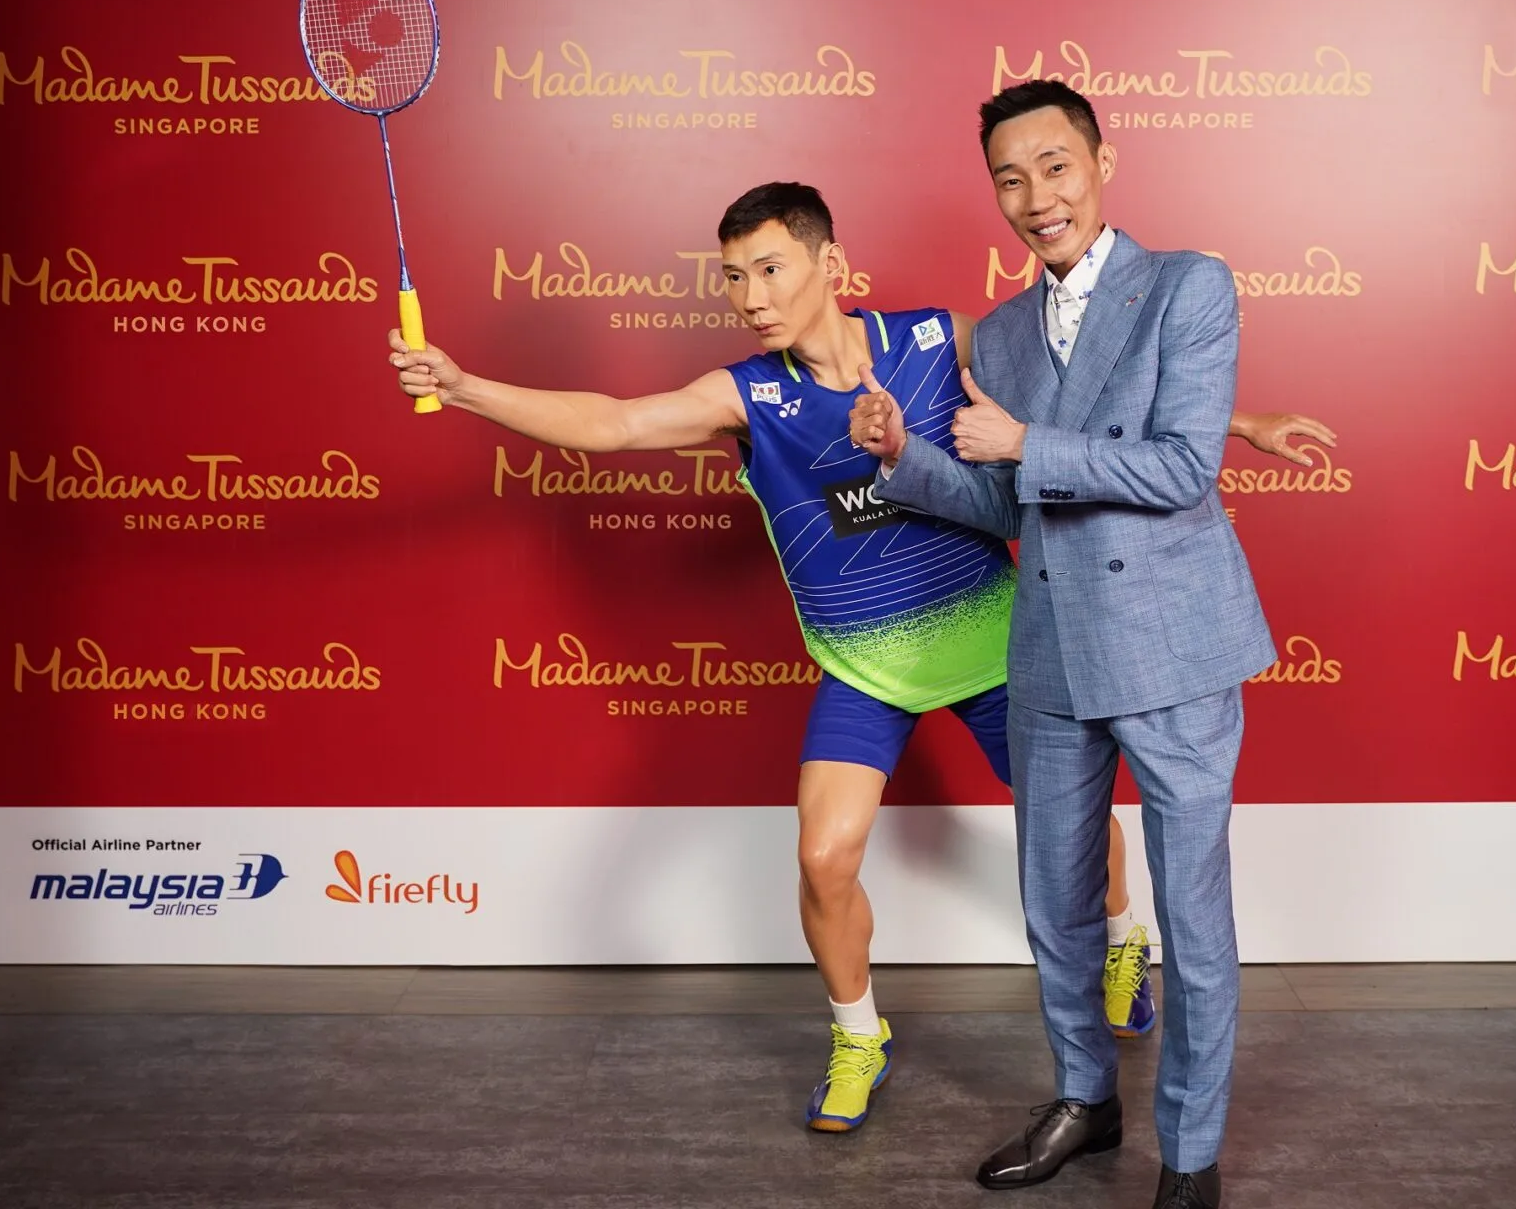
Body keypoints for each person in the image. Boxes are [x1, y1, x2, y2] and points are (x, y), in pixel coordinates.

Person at [390, 182, 1324, 1142]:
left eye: (770, 269)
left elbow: (1082, 387)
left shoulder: (934, 341)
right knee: (823, 855)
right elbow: (618, 423)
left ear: (829, 265)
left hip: (1002, 643)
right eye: (733, 278)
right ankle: (857, 1035)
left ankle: (1124, 936)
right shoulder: (747, 395)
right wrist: (463, 388)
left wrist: (1239, 422)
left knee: (1077, 831)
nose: (751, 297)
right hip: (867, 667)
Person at [852, 83, 1270, 1208]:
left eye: (1055, 166)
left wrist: (1026, 441)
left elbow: (1184, 467)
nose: (1037, 197)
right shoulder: (997, 333)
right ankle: (1087, 1099)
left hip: (1173, 648)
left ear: (1101, 163)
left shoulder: (1187, 285)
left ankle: (1190, 1153)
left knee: (1192, 917)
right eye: (1010, 178)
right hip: (1049, 652)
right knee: (1055, 903)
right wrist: (905, 459)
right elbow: (1007, 502)